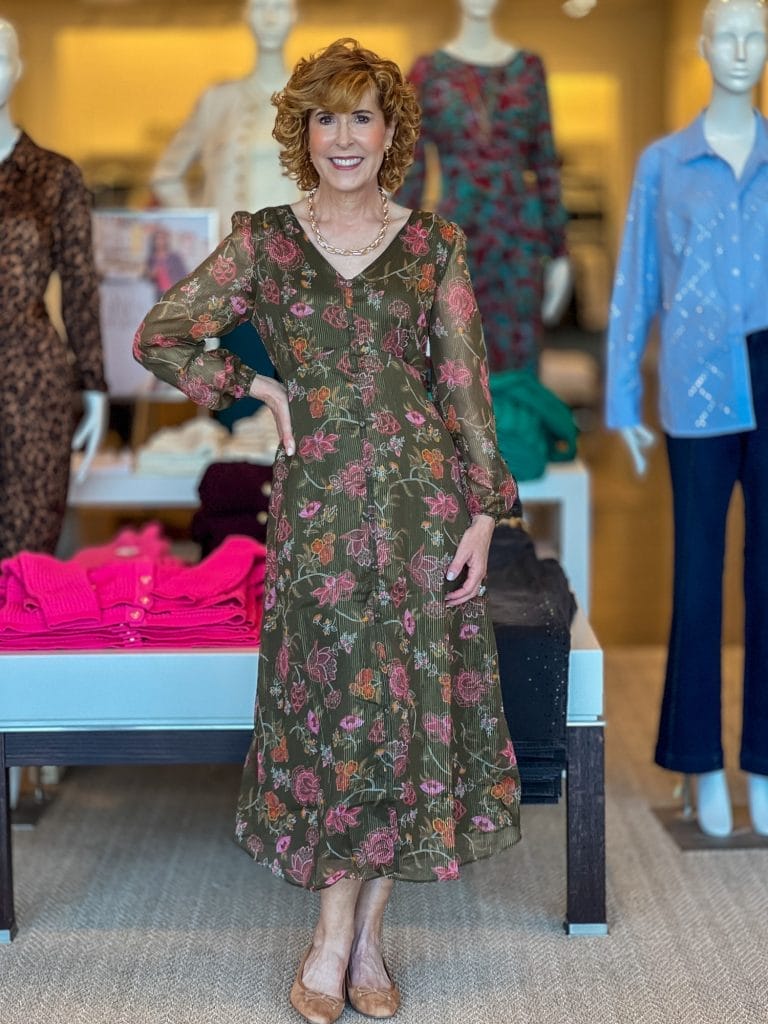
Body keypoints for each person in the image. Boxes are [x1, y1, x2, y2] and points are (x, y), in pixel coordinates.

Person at [135, 38, 522, 1023]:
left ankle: (362, 940)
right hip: (317, 510)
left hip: (422, 502)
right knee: (330, 711)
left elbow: (467, 386)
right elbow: (165, 333)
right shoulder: (264, 240)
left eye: (362, 116)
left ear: (389, 132)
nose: (344, 136)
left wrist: (484, 512)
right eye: (326, 117)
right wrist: (255, 383)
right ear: (301, 131)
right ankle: (328, 932)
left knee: (405, 710)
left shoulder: (435, 243)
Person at [606, 0, 768, 839]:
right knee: (698, 578)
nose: (741, 49)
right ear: (703, 48)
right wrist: (620, 399)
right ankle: (699, 763)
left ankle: (766, 765)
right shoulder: (666, 163)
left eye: (755, 34)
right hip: (700, 382)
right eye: (728, 35)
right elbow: (636, 282)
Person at [398, 0, 572, 374]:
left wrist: (559, 251)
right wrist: (399, 248)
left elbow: (545, 161)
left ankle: (519, 434)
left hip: (520, 238)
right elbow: (411, 169)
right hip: (456, 234)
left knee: (518, 359)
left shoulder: (528, 69)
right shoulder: (427, 72)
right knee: (455, 358)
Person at [151, 0, 299, 428]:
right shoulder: (219, 100)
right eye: (260, 6)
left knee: (308, 406)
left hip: (304, 272)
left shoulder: (318, 100)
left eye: (281, 6)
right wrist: (206, 233)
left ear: (295, 14)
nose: (271, 17)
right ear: (245, 14)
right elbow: (167, 175)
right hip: (234, 275)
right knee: (239, 402)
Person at [0, 18, 107, 561]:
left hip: (32, 382)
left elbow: (81, 284)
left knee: (24, 560)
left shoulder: (54, 175)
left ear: (17, 70)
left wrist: (94, 385)